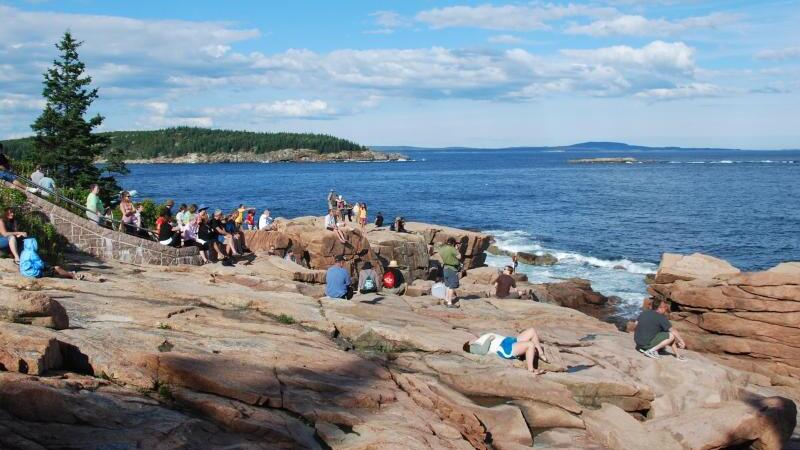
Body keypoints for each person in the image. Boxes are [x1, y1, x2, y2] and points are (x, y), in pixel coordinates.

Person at [463, 328, 548, 375]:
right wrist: (489, 339)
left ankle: (541, 354)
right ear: (469, 344)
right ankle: (531, 370)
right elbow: (482, 351)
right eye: (469, 340)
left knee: (532, 331)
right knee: (530, 345)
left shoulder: (480, 338)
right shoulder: (473, 346)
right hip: (505, 348)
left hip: (509, 341)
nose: (471, 338)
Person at [439, 237, 462, 307]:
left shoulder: (442, 248)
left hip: (445, 268)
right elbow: (459, 256)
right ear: (453, 243)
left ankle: (446, 299)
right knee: (452, 286)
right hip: (452, 269)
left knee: (448, 285)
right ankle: (449, 303)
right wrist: (456, 249)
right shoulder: (452, 249)